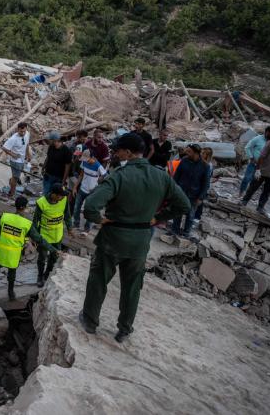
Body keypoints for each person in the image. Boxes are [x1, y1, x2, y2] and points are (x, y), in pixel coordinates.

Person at [80, 133, 190, 342]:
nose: (115, 153)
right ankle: (124, 329)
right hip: (140, 241)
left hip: (113, 238)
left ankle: (90, 320)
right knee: (132, 287)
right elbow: (184, 205)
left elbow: (91, 205)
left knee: (98, 281)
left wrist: (99, 220)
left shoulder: (119, 175)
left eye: (118, 150)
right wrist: (158, 218)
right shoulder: (161, 176)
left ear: (128, 153)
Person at [0, 196, 52, 299]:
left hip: (1, 251)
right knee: (11, 273)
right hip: (13, 255)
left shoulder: (5, 217)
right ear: (24, 208)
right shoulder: (26, 224)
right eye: (26, 207)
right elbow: (38, 239)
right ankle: (11, 293)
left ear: (16, 206)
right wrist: (52, 249)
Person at [33, 183, 71, 287]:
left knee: (54, 256)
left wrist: (70, 228)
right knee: (42, 257)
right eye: (60, 195)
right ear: (53, 194)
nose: (62, 197)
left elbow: (67, 215)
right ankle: (40, 276)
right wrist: (35, 237)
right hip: (44, 235)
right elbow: (35, 221)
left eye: (63, 195)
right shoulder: (41, 203)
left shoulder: (63, 200)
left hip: (57, 235)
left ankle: (47, 273)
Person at [171, 144, 209, 237]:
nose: (187, 153)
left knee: (190, 215)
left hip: (194, 195)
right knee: (177, 212)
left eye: (189, 152)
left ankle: (186, 232)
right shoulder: (184, 160)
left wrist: (201, 197)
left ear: (196, 153)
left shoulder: (204, 166)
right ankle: (174, 230)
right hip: (181, 192)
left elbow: (205, 184)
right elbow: (176, 176)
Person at [72, 149, 107, 233]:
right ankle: (76, 224)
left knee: (89, 210)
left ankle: (87, 229)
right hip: (82, 189)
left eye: (87, 159)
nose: (85, 161)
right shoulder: (84, 163)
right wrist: (75, 187)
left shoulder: (98, 166)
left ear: (92, 157)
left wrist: (98, 185)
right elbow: (81, 175)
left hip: (92, 192)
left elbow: (104, 176)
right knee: (76, 208)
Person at [240, 126, 270, 197]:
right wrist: (251, 157)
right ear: (267, 132)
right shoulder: (257, 139)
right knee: (247, 178)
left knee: (254, 181)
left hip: (263, 166)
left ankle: (246, 196)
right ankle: (241, 193)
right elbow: (247, 147)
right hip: (253, 163)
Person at [1, 122, 31, 198]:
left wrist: (28, 154)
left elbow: (27, 144)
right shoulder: (13, 139)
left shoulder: (27, 133)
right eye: (21, 131)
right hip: (15, 161)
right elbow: (4, 148)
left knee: (16, 176)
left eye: (24, 131)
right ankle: (11, 193)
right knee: (16, 178)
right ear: (18, 129)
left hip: (22, 160)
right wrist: (13, 155)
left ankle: (11, 182)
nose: (23, 133)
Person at [40, 131, 72, 195]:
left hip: (58, 177)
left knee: (54, 195)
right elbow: (48, 158)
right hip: (48, 174)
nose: (48, 141)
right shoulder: (51, 147)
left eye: (50, 140)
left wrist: (63, 180)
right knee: (45, 193)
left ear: (54, 140)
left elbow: (67, 167)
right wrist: (43, 168)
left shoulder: (66, 150)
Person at [194, 147, 214, 223]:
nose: (201, 154)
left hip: (203, 185)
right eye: (201, 153)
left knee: (200, 200)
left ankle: (197, 217)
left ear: (207, 155)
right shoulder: (199, 162)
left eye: (203, 153)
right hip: (197, 183)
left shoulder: (209, 165)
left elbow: (207, 178)